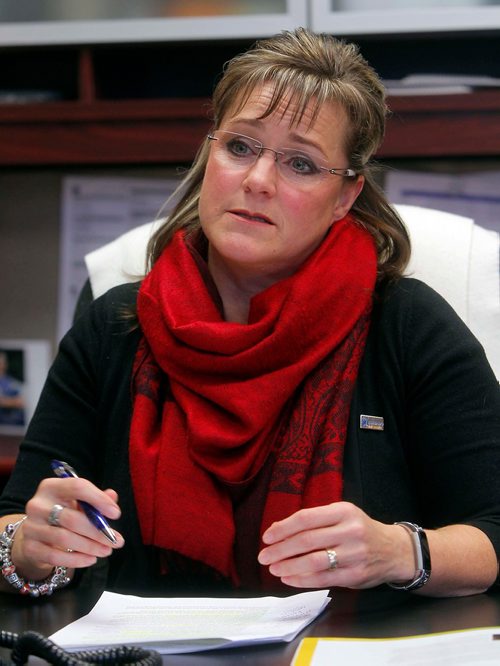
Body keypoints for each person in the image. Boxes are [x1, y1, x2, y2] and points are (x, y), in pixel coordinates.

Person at [0, 28, 498, 605]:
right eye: (240, 146)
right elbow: (16, 516)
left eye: (302, 164)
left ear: (345, 196)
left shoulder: (408, 326)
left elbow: (492, 530)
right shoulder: (116, 324)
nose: (258, 181)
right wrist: (27, 547)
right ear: (209, 154)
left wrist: (398, 550)